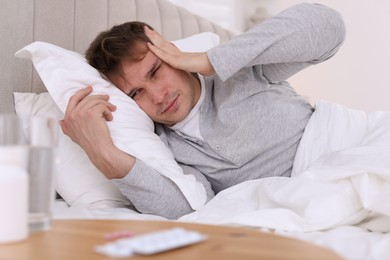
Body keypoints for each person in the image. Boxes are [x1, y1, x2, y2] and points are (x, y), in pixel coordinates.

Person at [60, 3, 346, 219]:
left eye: (156, 71)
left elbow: (329, 28)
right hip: (306, 202)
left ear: (169, 50)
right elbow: (187, 211)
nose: (159, 96)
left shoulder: (240, 69)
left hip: (342, 149)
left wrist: (209, 60)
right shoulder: (163, 147)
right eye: (136, 93)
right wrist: (101, 151)